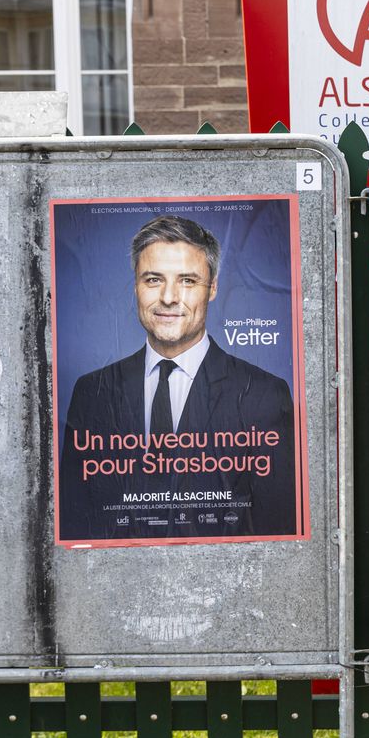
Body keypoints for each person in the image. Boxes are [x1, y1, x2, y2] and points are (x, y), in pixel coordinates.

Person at [58, 215, 299, 543]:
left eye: (187, 280)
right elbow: (75, 527)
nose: (169, 297)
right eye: (153, 279)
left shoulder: (264, 394)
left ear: (212, 288)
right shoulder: (91, 392)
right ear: (136, 286)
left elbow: (278, 534)